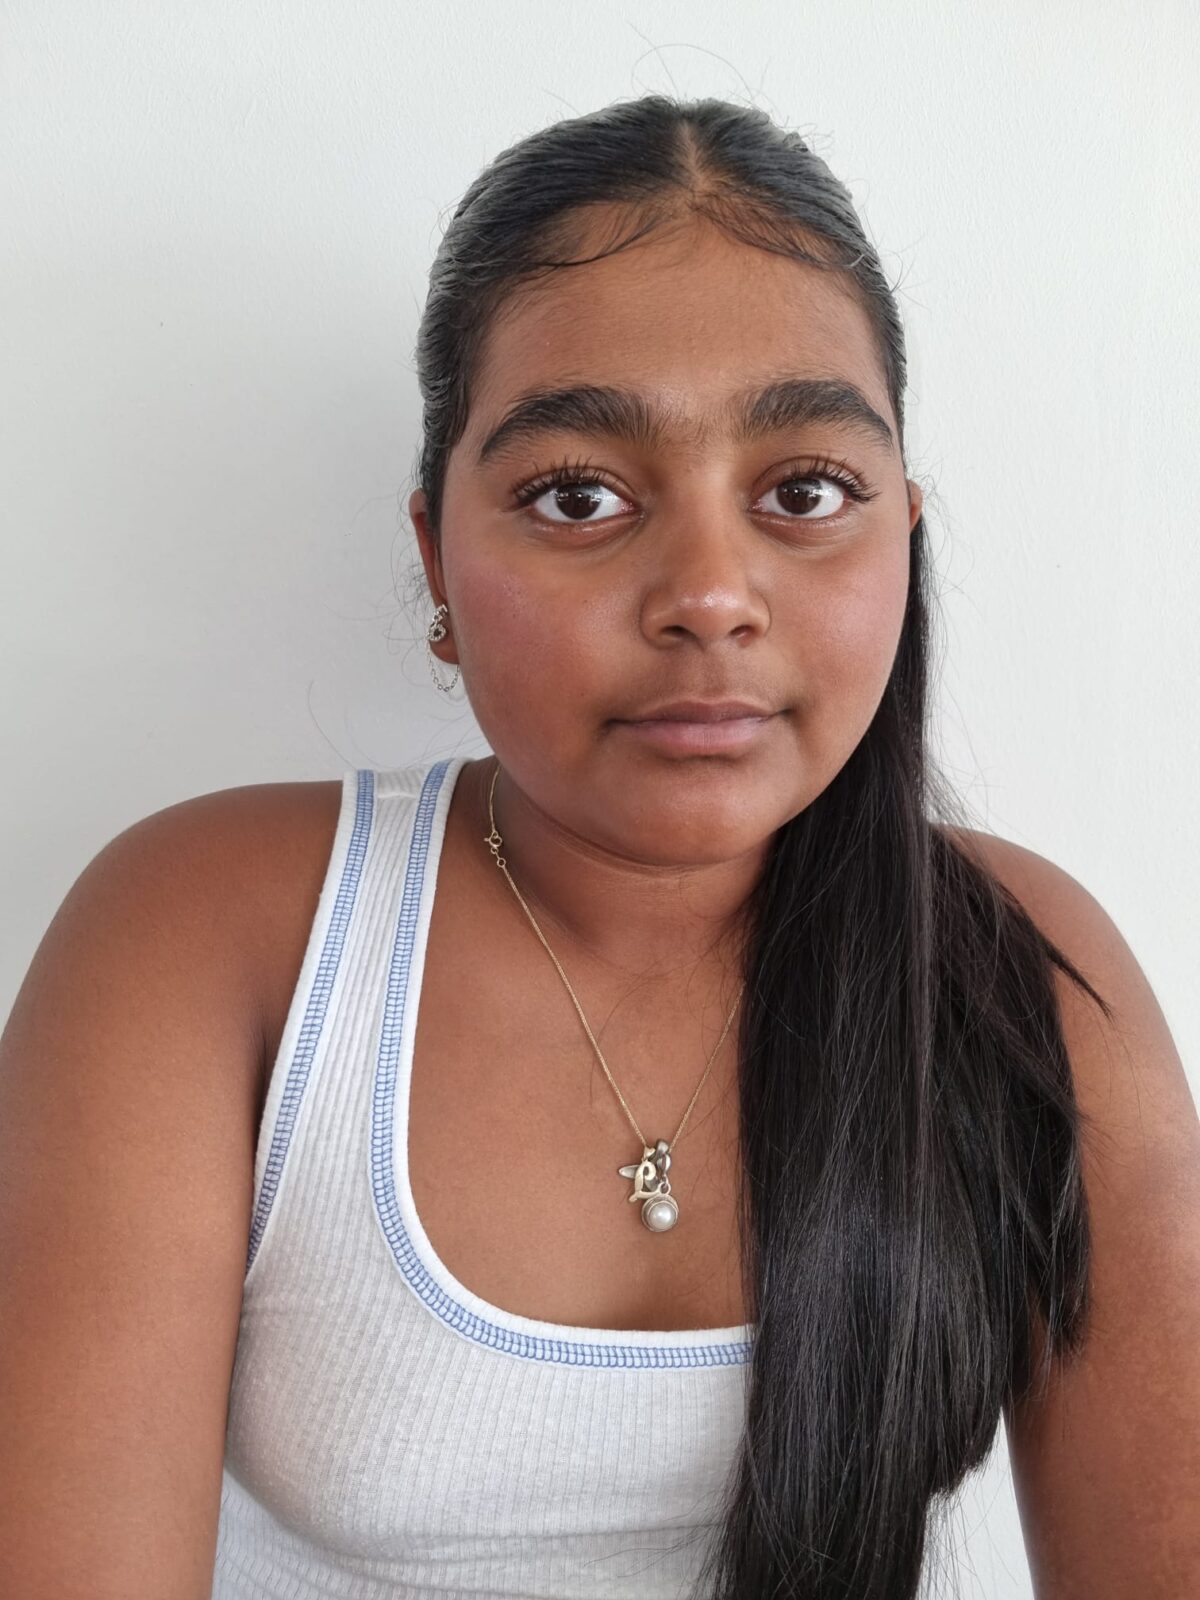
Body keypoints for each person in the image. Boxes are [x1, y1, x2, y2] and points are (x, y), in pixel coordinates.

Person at [1, 94, 1197, 1600]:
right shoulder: (216, 936)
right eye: (579, 496)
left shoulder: (1025, 972)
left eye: (804, 492)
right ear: (438, 558)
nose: (710, 594)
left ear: (903, 529)